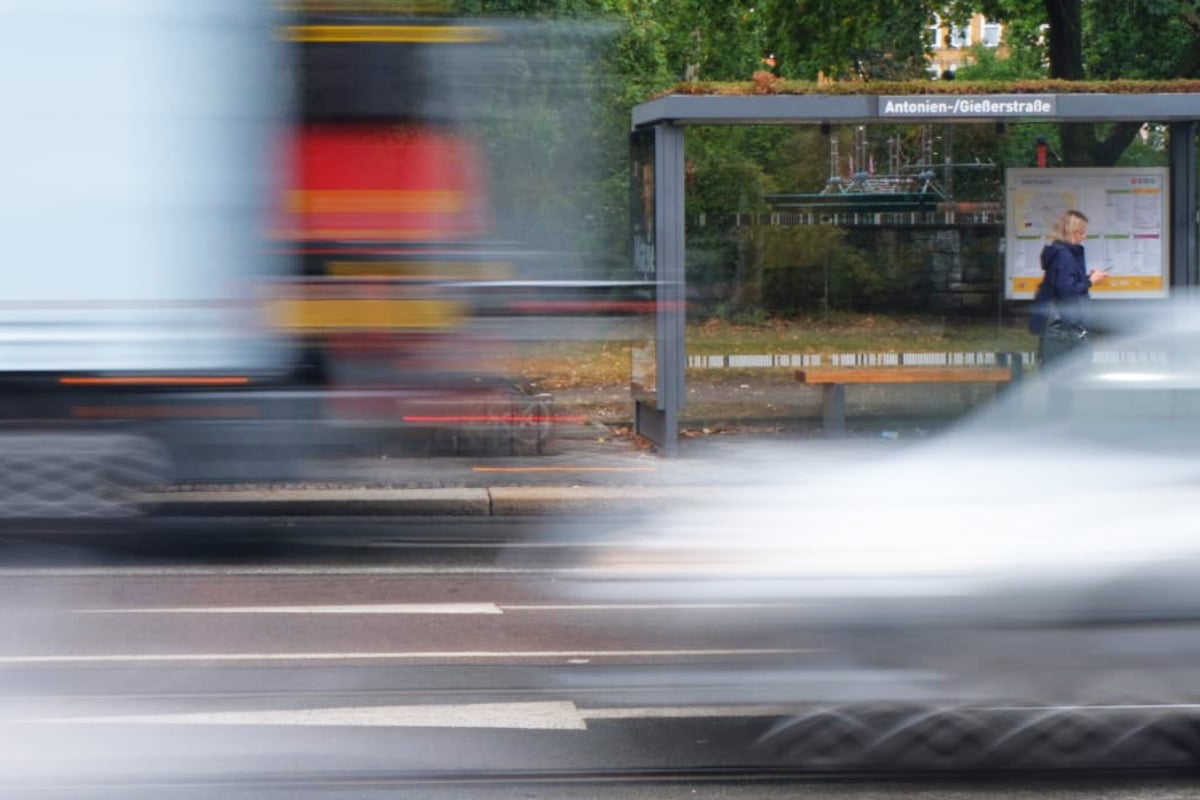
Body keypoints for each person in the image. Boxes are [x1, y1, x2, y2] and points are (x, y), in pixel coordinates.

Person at [1035, 209, 1108, 365]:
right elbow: (1066, 291)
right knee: (1068, 376)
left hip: (1062, 328)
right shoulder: (1064, 256)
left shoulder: (1060, 253)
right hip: (1066, 327)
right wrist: (1090, 282)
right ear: (1071, 232)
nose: (1084, 236)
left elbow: (1065, 284)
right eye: (1081, 232)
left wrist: (1087, 278)